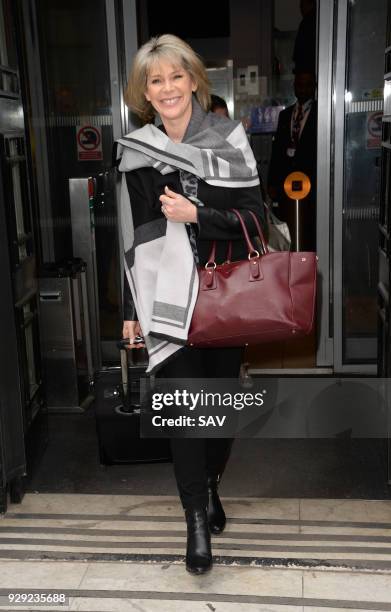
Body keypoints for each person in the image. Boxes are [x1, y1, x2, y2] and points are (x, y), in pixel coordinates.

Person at [116, 34, 265, 575]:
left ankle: (211, 485)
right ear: (145, 93)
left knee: (220, 415)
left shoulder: (228, 138)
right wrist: (127, 312)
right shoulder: (136, 152)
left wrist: (197, 215)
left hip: (225, 297)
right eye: (156, 80)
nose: (168, 88)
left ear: (195, 81)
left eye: (176, 76)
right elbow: (131, 241)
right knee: (186, 413)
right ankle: (195, 520)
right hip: (165, 302)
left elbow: (255, 221)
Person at [267, 71, 317, 250]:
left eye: (308, 85)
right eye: (299, 85)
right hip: (285, 184)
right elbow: (277, 151)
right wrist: (272, 182)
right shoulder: (285, 115)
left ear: (314, 87)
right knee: (286, 228)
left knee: (309, 229)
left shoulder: (321, 114)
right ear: (294, 87)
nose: (303, 89)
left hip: (310, 184)